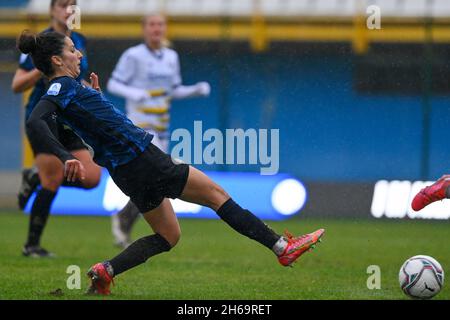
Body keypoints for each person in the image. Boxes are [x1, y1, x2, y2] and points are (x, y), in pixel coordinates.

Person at [18, 30, 325, 295]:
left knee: (168, 236)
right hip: (143, 158)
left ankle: (106, 270)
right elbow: (35, 121)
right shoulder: (62, 87)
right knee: (217, 196)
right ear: (57, 60)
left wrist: (94, 97)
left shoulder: (70, 91)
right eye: (72, 49)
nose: (78, 53)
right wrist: (64, 156)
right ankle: (282, 249)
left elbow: (85, 120)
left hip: (126, 172)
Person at [107, 14, 210, 248]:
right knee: (155, 176)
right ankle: (128, 221)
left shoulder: (171, 57)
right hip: (139, 126)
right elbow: (113, 83)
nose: (156, 29)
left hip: (162, 126)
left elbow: (172, 91)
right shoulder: (133, 55)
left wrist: (194, 90)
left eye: (160, 25)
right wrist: (136, 94)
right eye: (152, 25)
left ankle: (124, 218)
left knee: (150, 181)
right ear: (144, 29)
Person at [11, 0, 101, 257]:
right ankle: (31, 245)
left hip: (68, 117)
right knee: (52, 179)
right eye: (63, 4)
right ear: (52, 10)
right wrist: (45, 69)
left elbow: (76, 77)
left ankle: (35, 176)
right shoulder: (42, 43)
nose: (69, 9)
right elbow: (17, 85)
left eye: (73, 5)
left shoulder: (80, 40)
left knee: (91, 177)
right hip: (44, 115)